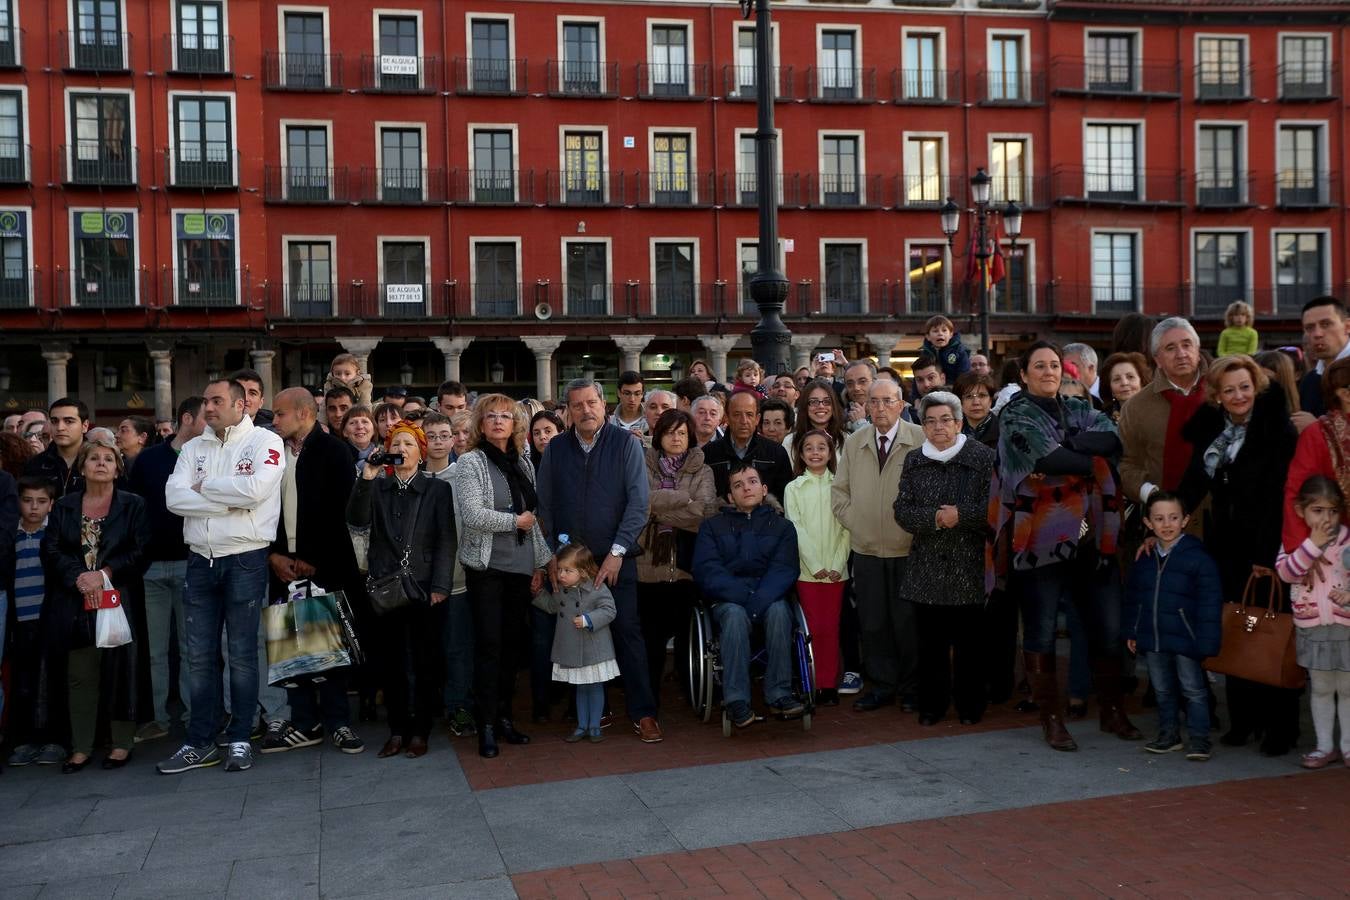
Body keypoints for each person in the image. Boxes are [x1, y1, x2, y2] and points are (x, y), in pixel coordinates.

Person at [993, 341, 1140, 751]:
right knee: (1040, 630)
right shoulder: (1015, 415)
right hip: (1039, 538)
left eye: (1054, 365)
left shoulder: (1080, 408)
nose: (1047, 371)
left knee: (1107, 628)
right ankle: (1051, 719)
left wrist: (1067, 450)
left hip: (1094, 534)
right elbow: (1051, 461)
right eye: (1039, 366)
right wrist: (1079, 454)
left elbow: (1112, 442)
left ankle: (1112, 711)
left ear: (1064, 370)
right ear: (1024, 375)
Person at [158, 379, 286, 775]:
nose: (208, 407)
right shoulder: (193, 447)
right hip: (200, 559)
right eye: (206, 401)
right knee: (198, 658)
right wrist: (226, 504)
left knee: (243, 656)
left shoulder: (266, 442)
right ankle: (200, 742)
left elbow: (255, 490)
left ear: (240, 404)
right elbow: (172, 498)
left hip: (246, 558)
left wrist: (205, 489)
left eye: (216, 401)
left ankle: (241, 738)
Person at [1178, 354, 1298, 755]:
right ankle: (1243, 721)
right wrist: (1165, 517)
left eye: (1244, 386)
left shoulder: (1277, 431)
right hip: (1225, 545)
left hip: (1268, 547)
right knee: (1236, 628)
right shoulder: (1213, 431)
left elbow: (1281, 497)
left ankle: (1280, 727)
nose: (1238, 395)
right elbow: (1193, 482)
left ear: (1257, 386)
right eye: (1229, 389)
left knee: (1270, 632)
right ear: (1217, 395)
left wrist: (1269, 554)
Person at [537, 378, 662, 743]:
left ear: (604, 405)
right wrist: (552, 555)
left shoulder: (625, 444)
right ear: (568, 411)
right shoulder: (557, 448)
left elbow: (639, 505)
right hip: (571, 565)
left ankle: (644, 712)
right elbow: (545, 506)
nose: (586, 410)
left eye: (591, 403)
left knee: (627, 633)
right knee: (580, 635)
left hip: (615, 561)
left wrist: (617, 553)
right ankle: (595, 709)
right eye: (577, 405)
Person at [39, 439, 151, 772]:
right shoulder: (64, 506)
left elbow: (140, 551)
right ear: (83, 467)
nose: (100, 463)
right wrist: (79, 578)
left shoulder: (133, 505)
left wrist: (103, 574)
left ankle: (121, 744)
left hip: (120, 598)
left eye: (108, 459)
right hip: (75, 600)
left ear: (118, 469)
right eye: (93, 459)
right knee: (80, 674)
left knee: (122, 671)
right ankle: (81, 746)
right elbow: (52, 549)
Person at [264, 388, 365, 755]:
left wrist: (315, 557)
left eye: (280, 414)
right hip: (282, 565)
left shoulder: (334, 451)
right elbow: (261, 510)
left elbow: (343, 511)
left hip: (326, 566)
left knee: (329, 648)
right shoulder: (272, 454)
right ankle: (305, 722)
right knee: (292, 646)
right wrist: (273, 555)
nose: (274, 421)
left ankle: (339, 723)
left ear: (305, 413)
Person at [453, 395, 550, 757]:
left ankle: (507, 718)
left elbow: (534, 519)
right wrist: (513, 522)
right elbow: (473, 514)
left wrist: (542, 563)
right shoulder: (470, 462)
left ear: (515, 425)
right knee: (490, 648)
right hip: (487, 569)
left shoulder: (523, 462)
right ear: (480, 424)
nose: (498, 422)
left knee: (512, 648)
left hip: (521, 569)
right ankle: (487, 725)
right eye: (491, 416)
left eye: (505, 417)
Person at [350, 419, 453, 759]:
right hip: (385, 587)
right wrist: (366, 478)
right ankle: (397, 730)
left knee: (423, 661)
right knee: (391, 662)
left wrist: (440, 584)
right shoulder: (377, 486)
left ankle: (420, 729)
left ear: (421, 452)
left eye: (408, 444)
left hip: (423, 586)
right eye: (396, 444)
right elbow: (357, 521)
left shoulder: (437, 489)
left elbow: (445, 541)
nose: (401, 450)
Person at [893, 392, 996, 726]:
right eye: (930, 421)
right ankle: (932, 706)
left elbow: (995, 509)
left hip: (970, 565)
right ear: (923, 426)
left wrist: (961, 516)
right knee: (931, 645)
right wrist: (936, 519)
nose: (938, 427)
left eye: (945, 420)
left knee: (972, 645)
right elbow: (902, 510)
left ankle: (970, 706)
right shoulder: (913, 460)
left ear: (959, 422)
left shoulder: (983, 457)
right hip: (927, 567)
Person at [832, 378, 925, 713]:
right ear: (866, 406)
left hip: (908, 548)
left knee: (908, 622)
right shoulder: (855, 442)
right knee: (872, 622)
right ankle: (883, 686)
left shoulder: (920, 439)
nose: (881, 408)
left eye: (888, 401)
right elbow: (839, 492)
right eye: (874, 401)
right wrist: (856, 521)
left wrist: (918, 529)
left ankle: (913, 688)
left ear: (902, 404)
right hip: (867, 549)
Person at [693, 460, 802, 726]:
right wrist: (746, 599)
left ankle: (779, 694)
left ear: (764, 489)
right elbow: (708, 570)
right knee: (734, 615)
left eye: (752, 482)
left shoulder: (783, 528)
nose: (746, 489)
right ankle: (736, 701)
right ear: (730, 496)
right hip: (729, 599)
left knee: (779, 611)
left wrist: (758, 601)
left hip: (769, 596)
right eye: (738, 485)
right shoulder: (712, 527)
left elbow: (784, 569)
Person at [124, 395, 205, 741]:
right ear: (187, 418)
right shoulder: (149, 460)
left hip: (193, 563)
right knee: (155, 649)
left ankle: (193, 715)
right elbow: (135, 512)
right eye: (207, 413)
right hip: (153, 568)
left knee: (192, 649)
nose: (212, 417)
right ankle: (157, 717)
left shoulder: (208, 454)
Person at [1123, 491, 1223, 761]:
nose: (1166, 524)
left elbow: (1210, 603)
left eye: (1173, 518)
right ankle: (1168, 735)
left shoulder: (1199, 559)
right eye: (1159, 519)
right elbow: (1134, 599)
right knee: (1163, 688)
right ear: (1148, 523)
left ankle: (1200, 739)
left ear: (1185, 520)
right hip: (1153, 636)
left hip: (1186, 638)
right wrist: (1132, 630)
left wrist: (1206, 639)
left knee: (1193, 689)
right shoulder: (1143, 558)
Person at [636, 408, 716, 709]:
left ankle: (691, 694)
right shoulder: (642, 465)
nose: (676, 438)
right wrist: (684, 499)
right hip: (648, 566)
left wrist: (658, 509)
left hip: (686, 566)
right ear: (659, 436)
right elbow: (640, 504)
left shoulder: (703, 470)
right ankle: (649, 703)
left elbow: (704, 512)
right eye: (670, 432)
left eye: (682, 432)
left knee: (687, 637)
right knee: (651, 642)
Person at [1276, 476, 1350, 769]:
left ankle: (1347, 746)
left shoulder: (1347, 540)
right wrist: (1312, 545)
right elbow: (1287, 573)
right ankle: (1324, 746)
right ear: (1300, 510)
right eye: (1317, 510)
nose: (1326, 518)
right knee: (1320, 687)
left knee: (1346, 688)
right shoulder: (1294, 541)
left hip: (1345, 627)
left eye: (1332, 510)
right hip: (1312, 627)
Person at [784, 429, 849, 705]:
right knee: (811, 626)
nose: (815, 452)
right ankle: (809, 680)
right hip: (807, 572)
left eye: (821, 447)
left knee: (831, 626)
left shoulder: (841, 486)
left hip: (836, 571)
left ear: (831, 452)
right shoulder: (794, 488)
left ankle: (827, 684)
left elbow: (847, 527)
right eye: (808, 448)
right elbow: (795, 527)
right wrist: (814, 564)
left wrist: (836, 563)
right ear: (800, 454)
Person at [533, 544, 619, 743]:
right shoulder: (563, 591)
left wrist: (589, 620)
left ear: (582, 571)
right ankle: (581, 725)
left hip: (594, 648)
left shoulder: (597, 587)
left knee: (595, 687)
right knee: (580, 688)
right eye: (560, 569)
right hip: (572, 648)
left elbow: (609, 610)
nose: (561, 574)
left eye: (567, 570)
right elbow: (553, 606)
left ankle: (595, 726)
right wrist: (538, 595)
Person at [1119, 317, 1206, 508]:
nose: (1181, 354)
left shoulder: (1224, 391)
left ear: (1198, 351)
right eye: (1171, 348)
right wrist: (1150, 493)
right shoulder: (1136, 407)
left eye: (1187, 345)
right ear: (1157, 359)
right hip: (1165, 519)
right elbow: (1126, 463)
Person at [6, 478, 64, 767]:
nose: (33, 507)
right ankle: (27, 740)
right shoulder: (11, 536)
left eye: (41, 502)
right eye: (27, 500)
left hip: (47, 618)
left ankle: (54, 739)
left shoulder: (51, 534)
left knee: (51, 679)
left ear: (51, 504)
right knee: (23, 681)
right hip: (20, 620)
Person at [703, 391, 793, 502]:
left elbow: (785, 498)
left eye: (749, 414)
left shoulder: (776, 453)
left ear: (757, 419)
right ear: (727, 418)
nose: (743, 421)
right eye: (737, 414)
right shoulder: (709, 453)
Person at [24, 398, 90, 498]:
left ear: (85, 426)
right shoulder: (35, 465)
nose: (60, 427)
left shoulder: (99, 462)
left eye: (68, 421)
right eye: (54, 421)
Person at [1298, 296, 1350, 418]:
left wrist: (1317, 428)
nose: (1317, 334)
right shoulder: (1309, 381)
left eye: (1326, 324)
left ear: (1347, 327)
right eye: (1309, 328)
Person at [786, 379, 846, 466]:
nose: (821, 406)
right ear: (805, 406)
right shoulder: (790, 441)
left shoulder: (846, 439)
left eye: (827, 402)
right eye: (814, 402)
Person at [1099, 352, 1151, 423]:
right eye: (1117, 379)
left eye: (1130, 377)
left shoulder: (1157, 414)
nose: (1124, 383)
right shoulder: (1102, 422)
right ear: (1109, 388)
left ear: (1142, 382)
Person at [921, 315, 970, 385]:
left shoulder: (959, 351)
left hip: (954, 391)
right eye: (935, 331)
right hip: (932, 391)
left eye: (944, 330)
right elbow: (919, 375)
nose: (940, 334)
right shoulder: (925, 354)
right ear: (928, 337)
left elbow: (964, 376)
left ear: (951, 334)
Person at [953, 372, 998, 448]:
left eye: (982, 395)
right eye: (969, 396)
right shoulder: (950, 431)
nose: (976, 402)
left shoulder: (1005, 431)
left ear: (990, 400)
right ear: (959, 401)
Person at [842, 360, 876, 432]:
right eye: (850, 383)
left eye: (862, 381)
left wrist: (859, 423)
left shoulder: (891, 412)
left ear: (874, 382)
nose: (856, 388)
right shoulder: (840, 417)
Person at [342, 405, 378, 470]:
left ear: (374, 430)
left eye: (365, 422)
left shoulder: (384, 454)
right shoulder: (337, 457)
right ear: (344, 432)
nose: (360, 427)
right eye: (352, 423)